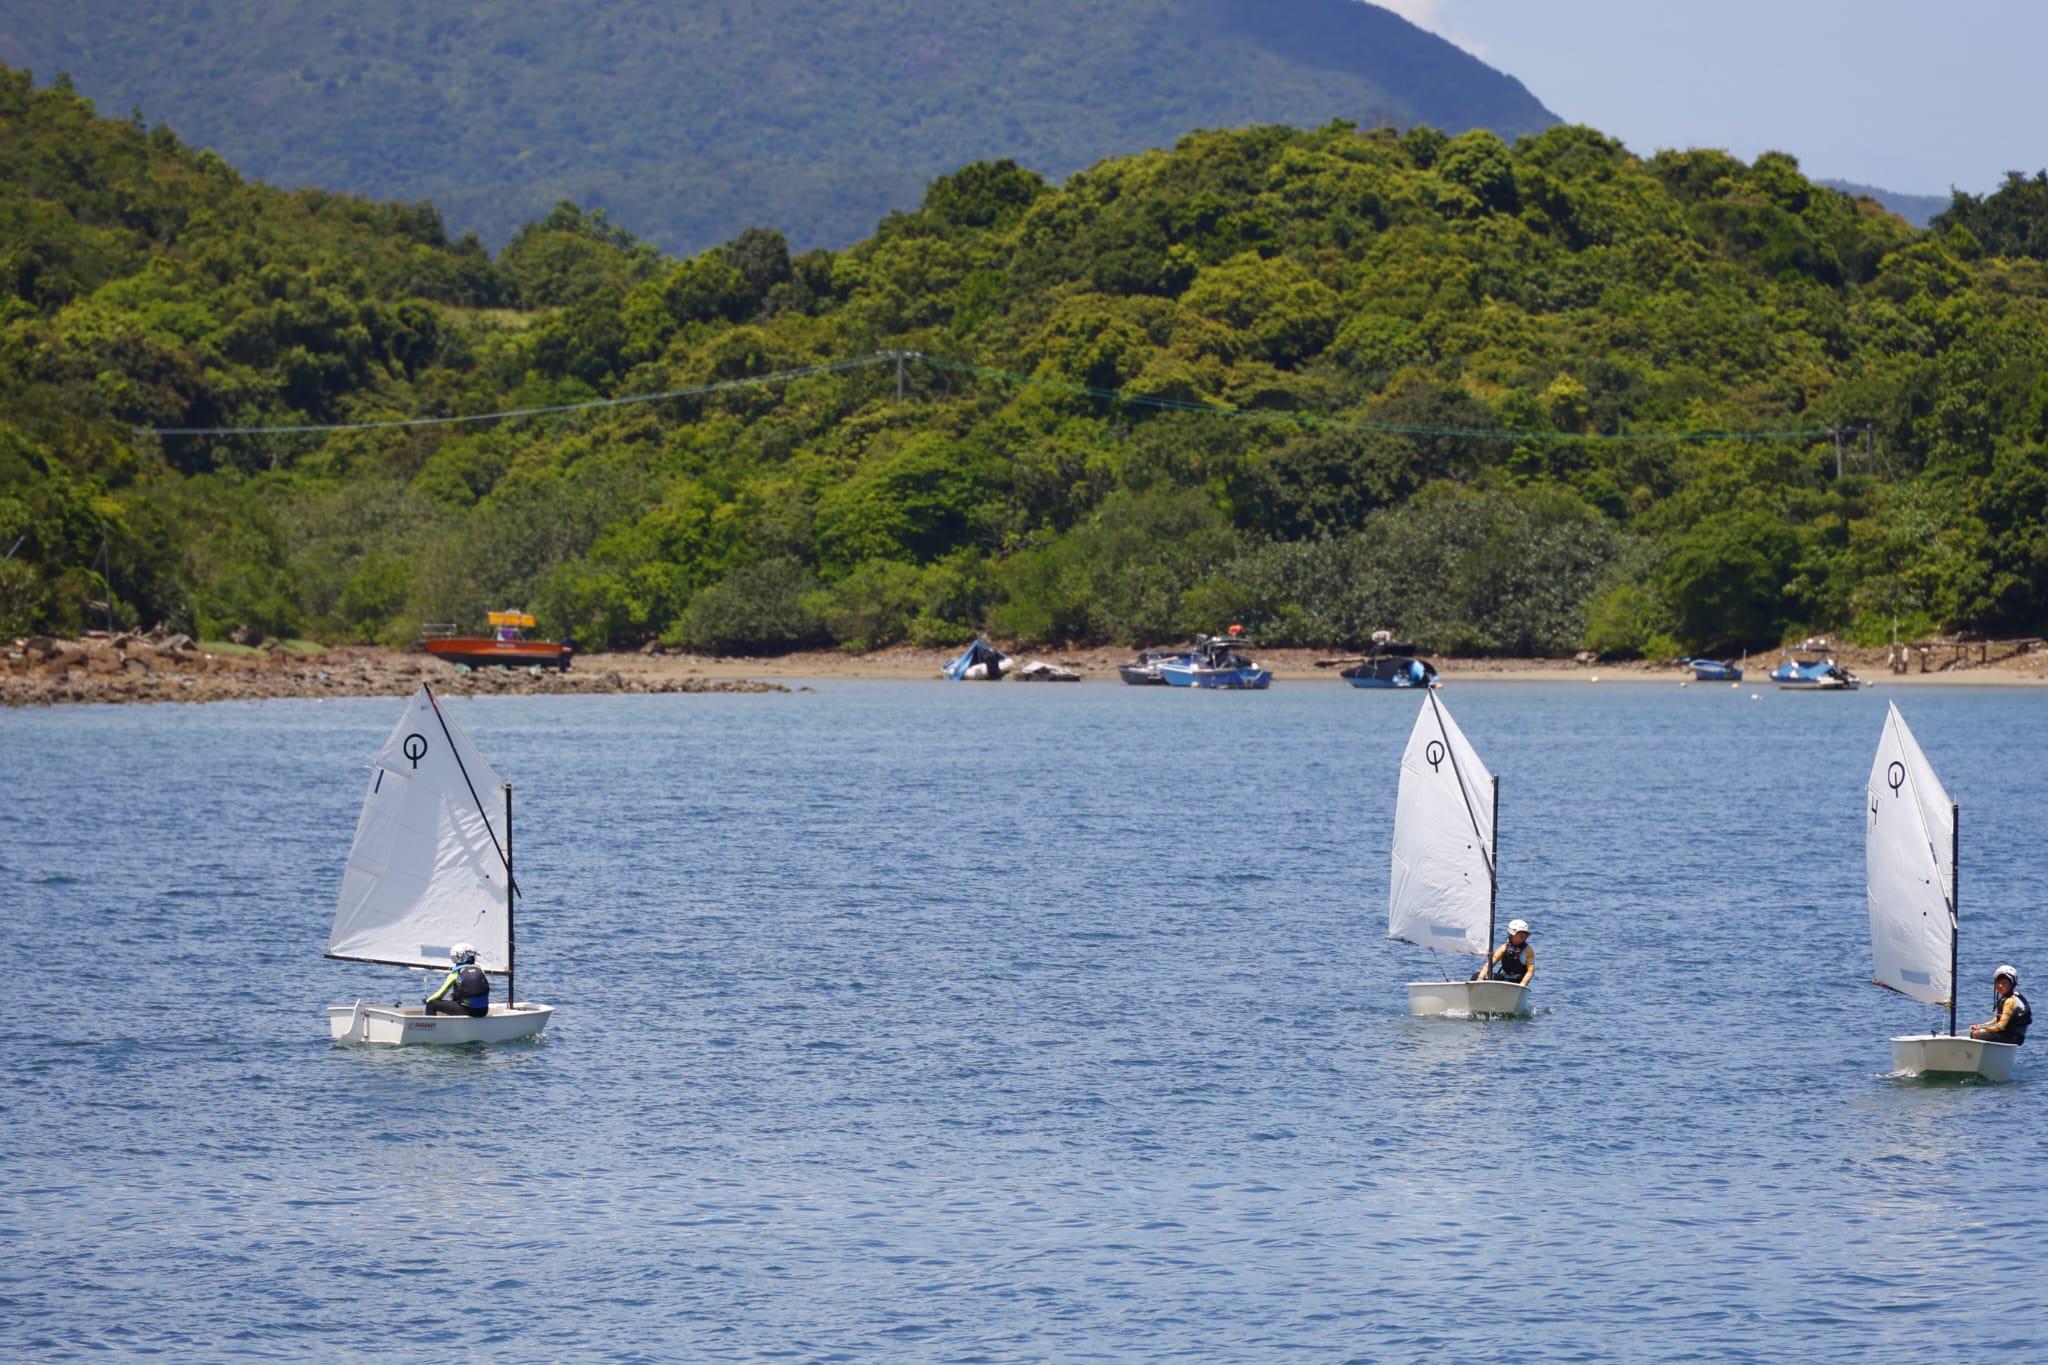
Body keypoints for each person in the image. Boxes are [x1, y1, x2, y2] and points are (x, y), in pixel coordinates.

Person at [1968, 965, 2030, 1045]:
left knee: (1976, 1034)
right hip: (2009, 1034)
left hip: (2013, 1037)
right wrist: (1980, 1026)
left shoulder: (2010, 1001)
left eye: (2004, 983)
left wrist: (1982, 1030)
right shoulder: (2006, 998)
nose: (2000, 986)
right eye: (1998, 982)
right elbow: (1997, 1019)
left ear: (2012, 984)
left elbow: (2000, 1026)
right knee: (1975, 1032)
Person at [424, 943, 491, 1017]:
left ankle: (432, 1026)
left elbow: (441, 994)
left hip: (468, 1011)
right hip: (484, 1010)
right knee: (457, 995)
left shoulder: (455, 972)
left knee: (431, 1004)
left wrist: (427, 1000)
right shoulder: (480, 969)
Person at [1475, 918, 1535, 985]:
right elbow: (1490, 964)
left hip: (1518, 982)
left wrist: (1522, 985)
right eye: (1520, 934)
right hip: (1504, 978)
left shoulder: (1528, 951)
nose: (1523, 936)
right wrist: (1479, 979)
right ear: (1511, 934)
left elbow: (1530, 971)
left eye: (1525, 934)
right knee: (1475, 976)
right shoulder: (1504, 948)